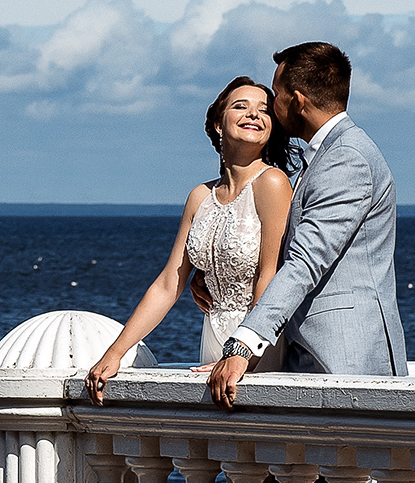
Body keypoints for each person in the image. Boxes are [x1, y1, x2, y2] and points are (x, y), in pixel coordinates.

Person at [206, 41, 407, 407]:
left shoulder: (347, 158)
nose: (273, 104)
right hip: (308, 354)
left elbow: (307, 260)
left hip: (345, 357)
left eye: (277, 95)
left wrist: (243, 343)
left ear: (297, 101)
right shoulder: (324, 157)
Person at [82, 78, 294, 402]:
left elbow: (270, 275)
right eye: (241, 106)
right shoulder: (200, 197)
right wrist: (115, 353)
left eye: (264, 110)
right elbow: (169, 284)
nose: (254, 114)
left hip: (257, 343)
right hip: (212, 339)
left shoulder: (273, 183)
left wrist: (243, 355)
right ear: (217, 124)